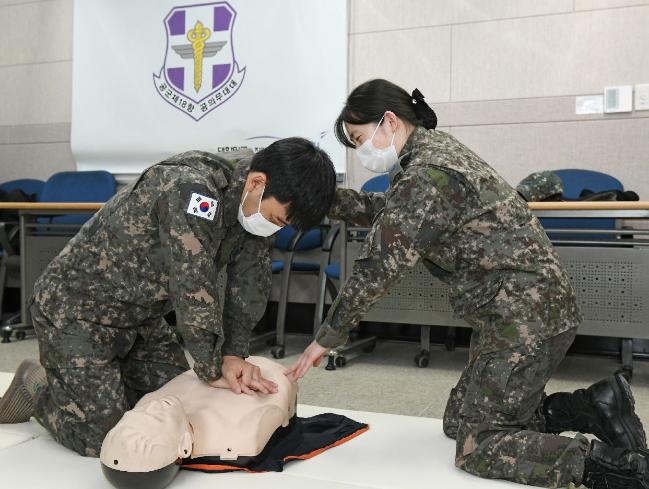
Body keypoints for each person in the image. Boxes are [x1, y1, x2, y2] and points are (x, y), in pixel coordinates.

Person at [286, 79, 649, 489]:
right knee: (459, 420)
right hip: (518, 312)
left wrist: (325, 339)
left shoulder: (427, 173)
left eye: (358, 138)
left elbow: (378, 267)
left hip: (525, 319)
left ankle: (614, 468)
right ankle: (593, 406)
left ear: (387, 121)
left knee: (479, 445)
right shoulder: (429, 155)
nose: (361, 151)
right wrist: (322, 199)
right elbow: (391, 211)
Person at [0, 138, 337, 458]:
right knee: (111, 439)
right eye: (276, 219)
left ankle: (91, 385)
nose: (273, 229)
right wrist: (210, 366)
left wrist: (233, 354)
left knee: (177, 411)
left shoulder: (252, 209)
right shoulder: (190, 189)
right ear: (257, 182)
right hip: (76, 313)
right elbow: (194, 284)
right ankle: (38, 388)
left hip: (141, 318)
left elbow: (248, 286)